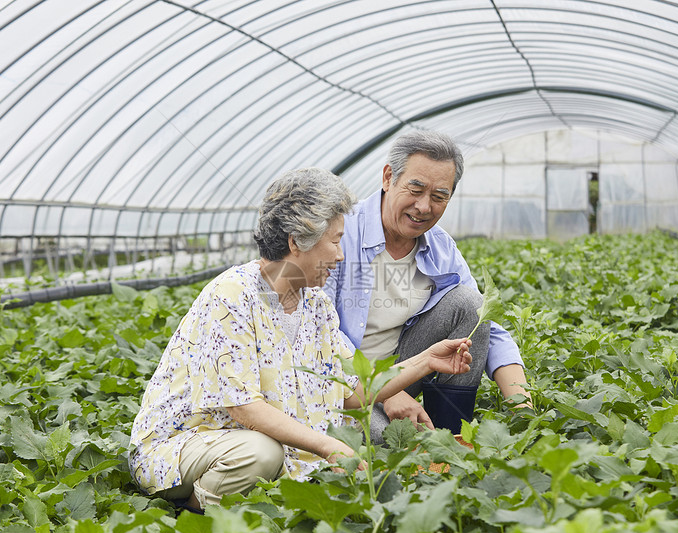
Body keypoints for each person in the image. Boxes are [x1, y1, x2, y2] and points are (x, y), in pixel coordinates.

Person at [129, 167, 474, 511]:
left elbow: (356, 390)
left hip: (256, 446)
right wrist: (327, 446)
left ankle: (254, 506)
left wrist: (426, 360)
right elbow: (244, 408)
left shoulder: (316, 305)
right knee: (260, 454)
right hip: (184, 446)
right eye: (336, 241)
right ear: (297, 242)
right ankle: (194, 512)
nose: (340, 255)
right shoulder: (232, 295)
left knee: (286, 457)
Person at [324, 131, 531, 440]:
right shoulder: (340, 235)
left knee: (470, 305)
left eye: (439, 197)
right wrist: (385, 390)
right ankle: (422, 447)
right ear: (388, 177)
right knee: (387, 447)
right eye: (415, 189)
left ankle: (450, 440)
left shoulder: (440, 246)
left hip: (404, 371)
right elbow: (316, 335)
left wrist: (523, 409)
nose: (423, 207)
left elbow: (487, 323)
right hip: (342, 385)